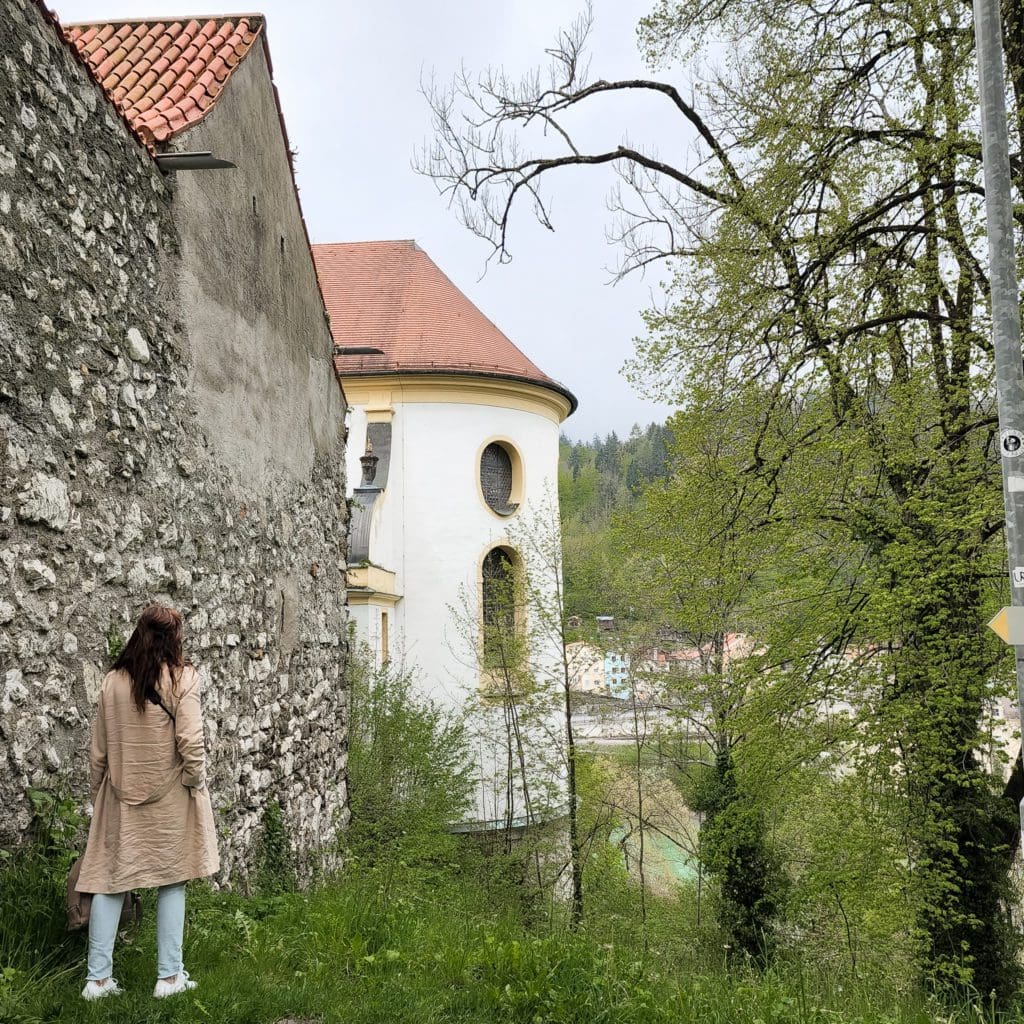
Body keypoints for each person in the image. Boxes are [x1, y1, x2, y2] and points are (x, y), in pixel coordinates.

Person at [77, 603, 220, 1001]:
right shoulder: (182, 678)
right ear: (174, 638)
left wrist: (98, 796)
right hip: (171, 794)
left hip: (120, 795)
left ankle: (98, 981)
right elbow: (191, 742)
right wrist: (195, 781)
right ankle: (169, 977)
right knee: (173, 880)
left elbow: (98, 753)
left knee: (110, 881)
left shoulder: (112, 682)